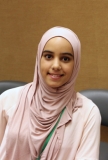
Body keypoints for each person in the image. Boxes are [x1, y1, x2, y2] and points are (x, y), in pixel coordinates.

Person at [0, 26, 101, 160]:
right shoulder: (8, 99)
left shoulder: (88, 113)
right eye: (48, 56)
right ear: (39, 59)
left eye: (65, 59)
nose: (56, 65)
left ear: (75, 63)